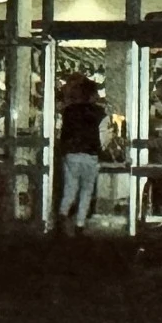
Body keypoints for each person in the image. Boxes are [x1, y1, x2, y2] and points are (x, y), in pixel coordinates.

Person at [57, 76, 105, 236]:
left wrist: (63, 152)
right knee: (86, 191)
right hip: (90, 155)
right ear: (92, 95)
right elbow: (104, 135)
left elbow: (64, 134)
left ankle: (62, 217)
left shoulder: (69, 111)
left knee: (70, 189)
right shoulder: (99, 112)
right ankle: (79, 224)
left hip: (71, 154)